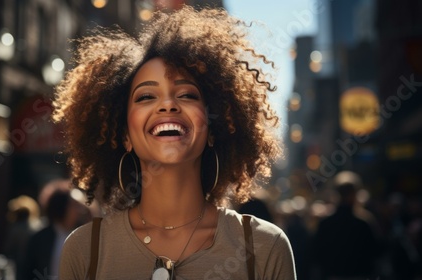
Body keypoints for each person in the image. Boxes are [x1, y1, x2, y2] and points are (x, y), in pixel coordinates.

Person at [54, 6, 296, 279]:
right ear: (124, 135)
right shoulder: (85, 251)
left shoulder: (265, 247)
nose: (168, 104)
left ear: (213, 127)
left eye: (187, 95)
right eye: (146, 97)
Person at [312, 171, 378, 279]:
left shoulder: (325, 223)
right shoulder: (364, 222)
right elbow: (375, 253)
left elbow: (316, 255)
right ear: (354, 194)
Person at [22, 180, 91, 280]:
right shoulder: (39, 239)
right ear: (61, 206)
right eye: (75, 205)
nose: (81, 211)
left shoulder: (85, 239)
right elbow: (27, 273)